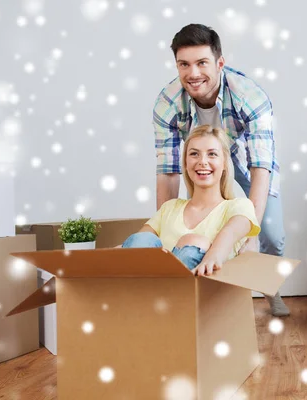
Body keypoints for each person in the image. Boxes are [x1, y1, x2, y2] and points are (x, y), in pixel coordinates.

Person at [152, 24, 290, 316]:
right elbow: (167, 171)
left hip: (246, 161)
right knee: (206, 227)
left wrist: (250, 236)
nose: (193, 73)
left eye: (202, 63)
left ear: (219, 63)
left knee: (272, 234)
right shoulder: (166, 103)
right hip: (204, 163)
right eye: (184, 64)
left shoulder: (250, 97)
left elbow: (260, 167)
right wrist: (165, 233)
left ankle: (270, 286)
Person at [122, 125, 260, 276]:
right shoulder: (169, 208)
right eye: (194, 154)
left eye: (212, 154)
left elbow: (231, 232)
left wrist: (213, 256)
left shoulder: (239, 205)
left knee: (195, 242)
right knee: (143, 239)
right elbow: (135, 246)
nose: (202, 161)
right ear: (186, 163)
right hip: (149, 287)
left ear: (225, 163)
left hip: (201, 293)